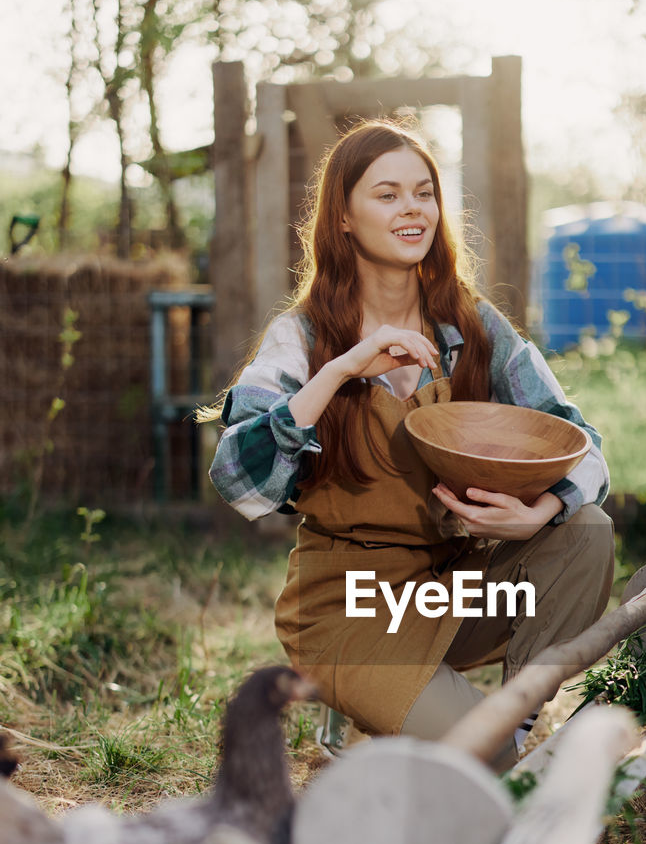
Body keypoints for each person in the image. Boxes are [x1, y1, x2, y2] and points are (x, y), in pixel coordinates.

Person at [205, 119, 614, 770]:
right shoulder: (302, 337)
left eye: (424, 193)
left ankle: (515, 720)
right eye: (387, 194)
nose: (412, 209)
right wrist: (339, 370)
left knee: (585, 531)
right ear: (342, 215)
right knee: (482, 762)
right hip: (351, 604)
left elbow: (581, 441)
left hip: (448, 587)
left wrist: (543, 510)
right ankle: (462, 738)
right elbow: (235, 477)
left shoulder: (472, 325)